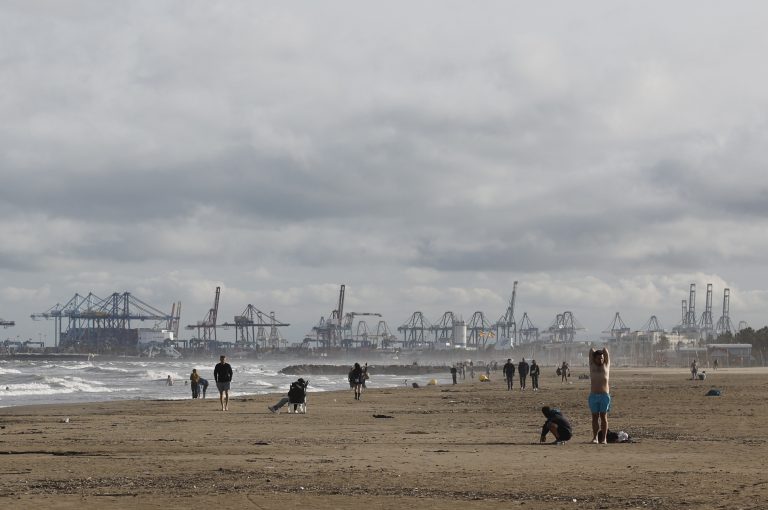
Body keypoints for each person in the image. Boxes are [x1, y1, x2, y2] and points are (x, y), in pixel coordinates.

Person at [588, 347, 611, 444]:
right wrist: (595, 353)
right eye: (598, 358)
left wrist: (602, 352)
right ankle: (595, 437)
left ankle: (604, 438)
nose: (601, 359)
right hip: (593, 395)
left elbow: (606, 350)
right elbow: (591, 350)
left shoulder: (606, 366)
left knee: (603, 417)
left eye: (602, 358)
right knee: (594, 417)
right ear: (594, 359)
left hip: (604, 395)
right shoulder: (592, 365)